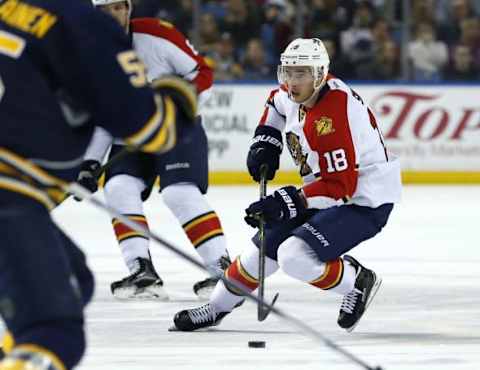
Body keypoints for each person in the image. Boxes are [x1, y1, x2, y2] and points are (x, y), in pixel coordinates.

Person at [0, 0, 195, 368]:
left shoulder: (10, 8)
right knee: (52, 331)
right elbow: (151, 128)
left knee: (75, 279)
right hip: (8, 191)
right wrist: (177, 99)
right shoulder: (83, 25)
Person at [171, 38, 402, 332]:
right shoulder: (296, 93)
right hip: (326, 190)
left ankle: (357, 280)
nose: (292, 81)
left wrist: (284, 202)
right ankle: (216, 307)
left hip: (364, 200)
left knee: (293, 256)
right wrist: (266, 139)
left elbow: (339, 187)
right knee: (263, 248)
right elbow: (275, 104)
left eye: (301, 73)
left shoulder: (330, 118)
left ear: (320, 74)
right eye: (289, 72)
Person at [79, 0, 231, 300]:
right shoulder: (89, 54)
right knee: (118, 187)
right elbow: (104, 118)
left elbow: (203, 73)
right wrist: (89, 164)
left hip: (176, 128)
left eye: (118, 7)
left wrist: (182, 98)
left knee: (179, 192)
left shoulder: (156, 34)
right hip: (135, 134)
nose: (114, 15)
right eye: (105, 10)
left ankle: (222, 268)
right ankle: (141, 270)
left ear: (128, 8)